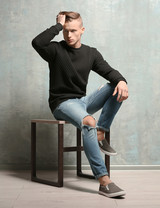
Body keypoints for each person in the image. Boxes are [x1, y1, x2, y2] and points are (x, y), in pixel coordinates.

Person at [32, 11, 129, 198]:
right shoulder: (55, 50)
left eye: (73, 31)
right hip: (62, 104)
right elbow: (37, 42)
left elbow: (110, 72)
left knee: (115, 86)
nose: (69, 35)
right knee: (88, 122)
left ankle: (102, 130)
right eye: (65, 31)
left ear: (82, 30)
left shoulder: (91, 53)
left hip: (82, 102)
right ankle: (104, 181)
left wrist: (122, 81)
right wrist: (57, 26)